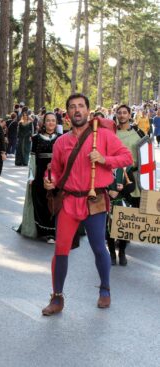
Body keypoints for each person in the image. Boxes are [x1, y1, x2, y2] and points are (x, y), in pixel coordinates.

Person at [42, 93, 132, 316]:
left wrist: (104, 159)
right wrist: (49, 179)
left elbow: (127, 157)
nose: (77, 110)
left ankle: (105, 289)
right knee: (61, 249)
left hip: (95, 200)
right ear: (68, 114)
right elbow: (55, 169)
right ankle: (57, 297)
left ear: (88, 111)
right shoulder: (61, 141)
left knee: (99, 247)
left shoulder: (102, 136)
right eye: (72, 107)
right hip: (69, 200)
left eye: (81, 106)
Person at [17, 112, 60, 243]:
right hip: (40, 173)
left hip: (57, 174)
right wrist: (31, 176)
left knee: (56, 201)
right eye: (48, 120)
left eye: (53, 120)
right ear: (44, 122)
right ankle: (45, 232)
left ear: (56, 123)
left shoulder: (62, 138)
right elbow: (32, 159)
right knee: (41, 201)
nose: (51, 123)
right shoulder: (36, 138)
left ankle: (55, 231)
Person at [112, 104, 145, 265]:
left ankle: (123, 245)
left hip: (132, 176)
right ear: (116, 115)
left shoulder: (138, 133)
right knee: (114, 209)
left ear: (130, 114)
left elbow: (146, 154)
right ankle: (113, 245)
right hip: (115, 175)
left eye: (125, 112)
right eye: (120, 112)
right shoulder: (111, 132)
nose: (122, 115)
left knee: (128, 211)